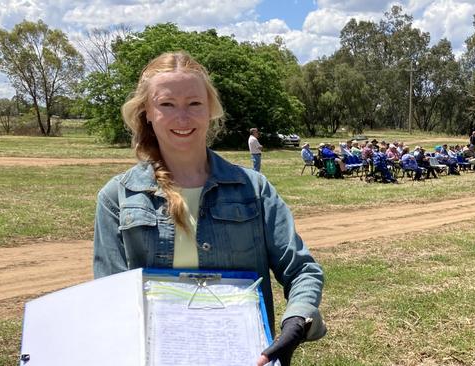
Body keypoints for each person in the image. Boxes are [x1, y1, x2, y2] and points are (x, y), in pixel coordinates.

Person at [93, 51, 325, 366]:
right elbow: (110, 298)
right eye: (167, 104)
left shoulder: (254, 190)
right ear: (147, 111)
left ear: (210, 109)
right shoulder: (116, 198)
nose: (183, 118)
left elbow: (302, 270)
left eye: (194, 104)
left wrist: (297, 322)